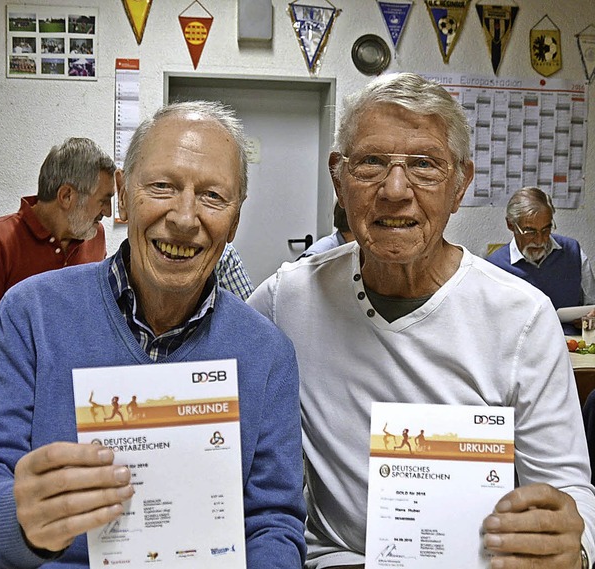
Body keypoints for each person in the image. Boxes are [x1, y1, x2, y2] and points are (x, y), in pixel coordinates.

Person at [248, 72, 595, 568]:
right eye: (370, 163)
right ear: (339, 180)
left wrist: (573, 546)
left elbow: (567, 490)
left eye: (424, 165)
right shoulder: (289, 298)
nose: (395, 190)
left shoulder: (521, 317)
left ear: (459, 185)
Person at [0, 100, 305, 569]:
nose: (183, 217)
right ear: (122, 194)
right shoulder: (31, 313)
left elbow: (273, 524)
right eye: (161, 186)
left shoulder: (267, 355)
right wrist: (19, 521)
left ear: (235, 220)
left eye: (212, 197)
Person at [0, 137, 116, 374]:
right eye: (104, 201)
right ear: (66, 196)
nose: (109, 212)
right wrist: (40, 359)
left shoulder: (95, 236)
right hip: (1, 384)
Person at [486, 186, 595, 333]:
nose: (539, 240)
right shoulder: (494, 266)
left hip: (570, 346)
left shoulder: (572, 252)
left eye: (546, 229)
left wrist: (590, 319)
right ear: (511, 225)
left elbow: (592, 304)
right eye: (530, 231)